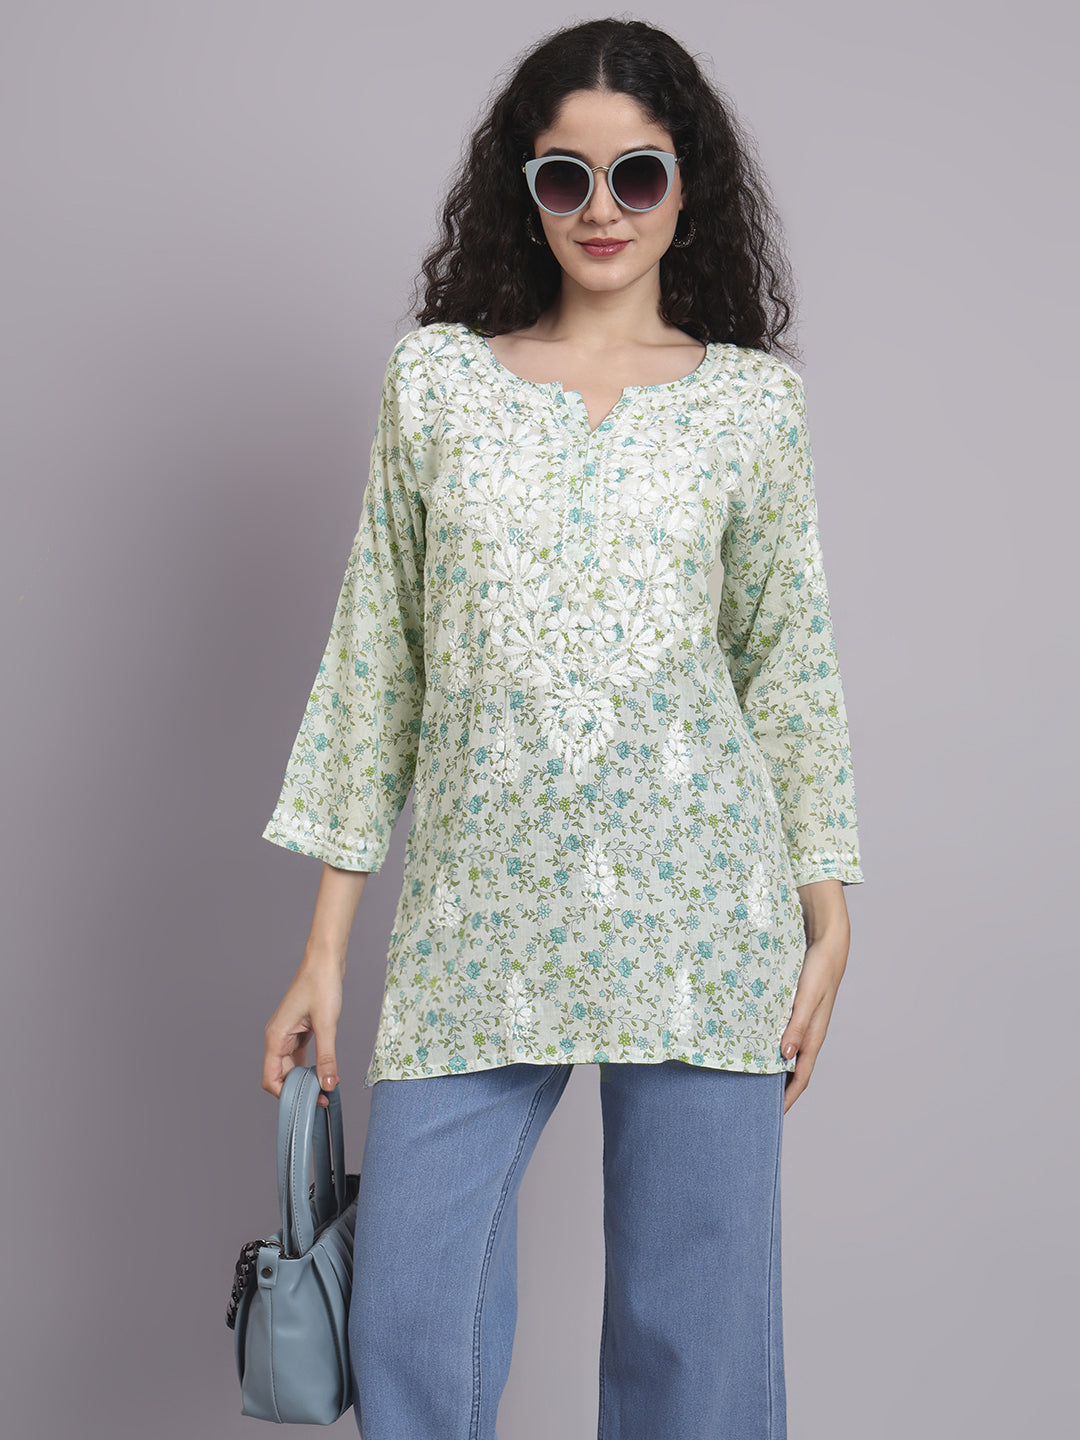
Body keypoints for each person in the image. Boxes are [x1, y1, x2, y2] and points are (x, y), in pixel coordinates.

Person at [259, 17, 864, 1439]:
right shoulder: (438, 387)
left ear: (687, 189)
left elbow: (787, 667)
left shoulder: (752, 409)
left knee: (694, 1344)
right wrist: (324, 951)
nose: (602, 210)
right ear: (523, 190)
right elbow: (378, 663)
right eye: (565, 177)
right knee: (412, 1317)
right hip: (482, 910)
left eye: (636, 175)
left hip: (705, 911)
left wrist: (828, 908)